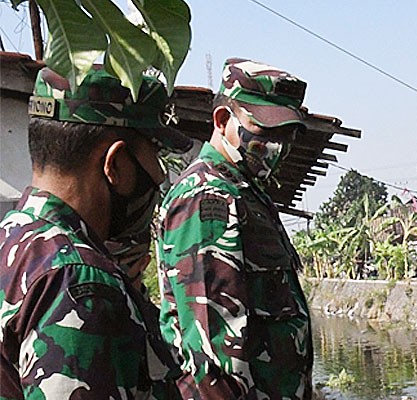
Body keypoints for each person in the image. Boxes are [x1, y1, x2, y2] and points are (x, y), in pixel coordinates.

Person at [0, 67, 190, 398]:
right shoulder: (80, 279)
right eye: (155, 155)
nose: (160, 176)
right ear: (115, 164)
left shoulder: (12, 239)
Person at [157, 58, 313, 399]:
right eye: (265, 131)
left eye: (286, 135)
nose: (277, 146)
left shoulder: (244, 190)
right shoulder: (207, 197)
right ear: (222, 120)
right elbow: (213, 355)